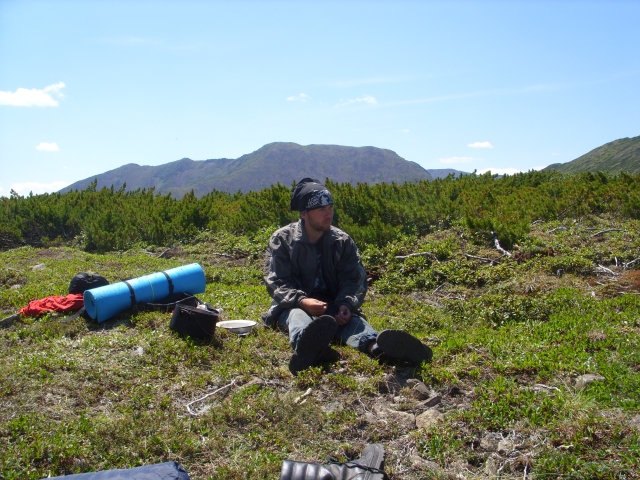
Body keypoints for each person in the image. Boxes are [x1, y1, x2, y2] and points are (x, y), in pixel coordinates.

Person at [262, 178, 432, 375]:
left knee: (353, 323)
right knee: (298, 318)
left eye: (331, 207)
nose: (329, 213)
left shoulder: (342, 241)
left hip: (333, 305)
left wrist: (345, 304)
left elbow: (353, 279)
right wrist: (302, 300)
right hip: (293, 305)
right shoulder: (282, 239)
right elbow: (276, 281)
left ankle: (378, 349)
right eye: (321, 209)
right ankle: (308, 348)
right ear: (304, 214)